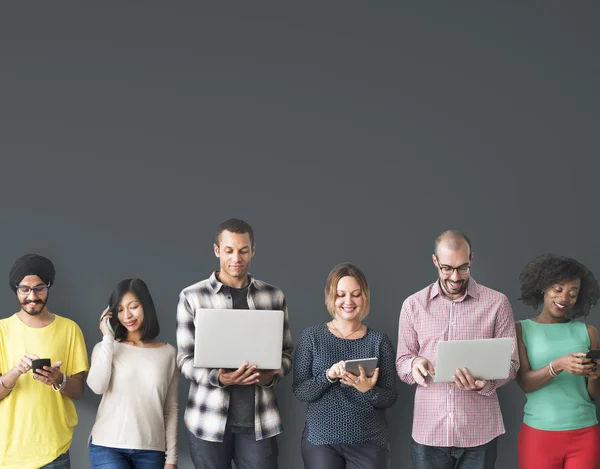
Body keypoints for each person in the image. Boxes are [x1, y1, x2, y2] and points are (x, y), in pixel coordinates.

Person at [396, 230, 519, 469]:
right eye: (447, 268)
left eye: (463, 268)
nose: (455, 276)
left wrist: (486, 384)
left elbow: (512, 364)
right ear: (435, 261)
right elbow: (402, 361)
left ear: (472, 259)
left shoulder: (497, 303)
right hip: (429, 433)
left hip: (480, 433)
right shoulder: (413, 305)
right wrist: (414, 364)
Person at [176, 218, 293, 469]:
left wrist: (267, 377)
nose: (236, 258)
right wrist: (218, 379)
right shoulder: (192, 297)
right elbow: (184, 360)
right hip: (207, 420)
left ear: (253, 250)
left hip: (259, 420)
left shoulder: (273, 296)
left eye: (243, 250)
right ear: (217, 250)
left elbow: (286, 355)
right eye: (229, 250)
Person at [293, 262, 397, 469]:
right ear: (331, 297)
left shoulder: (379, 341)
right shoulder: (311, 337)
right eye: (341, 294)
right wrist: (328, 376)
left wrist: (368, 390)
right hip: (321, 441)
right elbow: (300, 391)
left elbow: (390, 397)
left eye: (356, 294)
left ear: (364, 297)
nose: (348, 301)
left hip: (369, 441)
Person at [0, 254, 89, 469]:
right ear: (16, 290)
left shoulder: (70, 329)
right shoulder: (2, 330)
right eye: (24, 289)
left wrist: (60, 379)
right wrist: (15, 372)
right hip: (10, 453)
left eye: (39, 288)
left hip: (54, 451)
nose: (32, 296)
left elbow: (78, 391)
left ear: (48, 287)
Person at [515, 254, 600, 469]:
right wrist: (558, 365)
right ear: (544, 287)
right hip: (539, 434)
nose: (564, 298)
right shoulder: (522, 329)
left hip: (585, 432)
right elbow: (525, 383)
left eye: (573, 293)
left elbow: (591, 394)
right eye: (558, 289)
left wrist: (595, 376)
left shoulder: (588, 332)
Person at [87, 278, 178, 468]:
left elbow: (170, 409)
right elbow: (97, 386)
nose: (127, 315)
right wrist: (107, 338)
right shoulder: (105, 347)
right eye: (120, 310)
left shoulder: (167, 353)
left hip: (152, 449)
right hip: (107, 446)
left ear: (146, 306)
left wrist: (171, 459)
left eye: (133, 306)